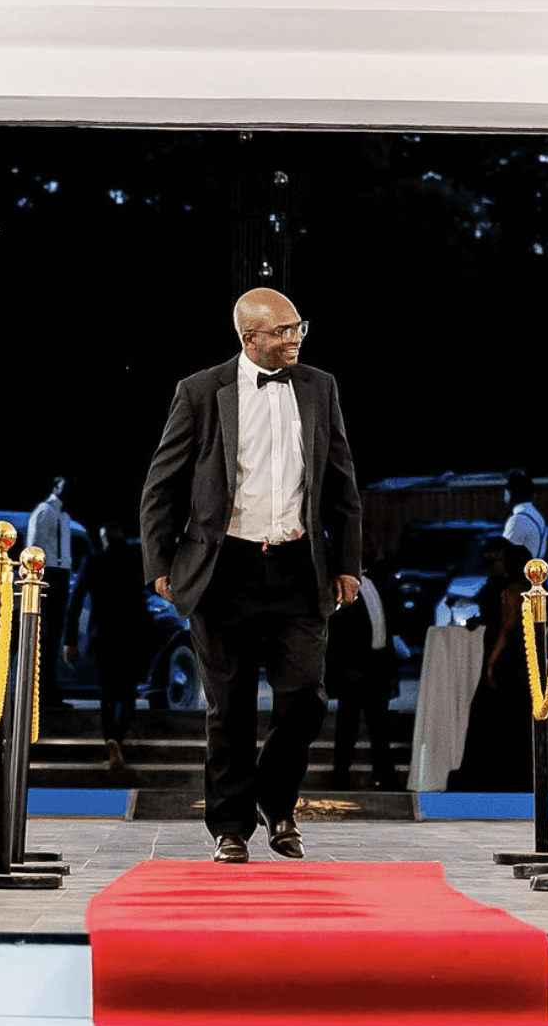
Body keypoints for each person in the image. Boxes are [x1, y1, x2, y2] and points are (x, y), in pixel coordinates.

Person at [138, 288, 363, 863]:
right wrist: (159, 564)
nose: (295, 339)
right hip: (224, 568)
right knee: (229, 707)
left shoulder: (320, 386)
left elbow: (342, 482)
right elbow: (162, 484)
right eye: (283, 331)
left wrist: (348, 563)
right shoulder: (200, 391)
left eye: (299, 328)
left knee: (306, 698)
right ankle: (230, 827)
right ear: (250, 338)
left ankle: (275, 798)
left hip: (299, 567)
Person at [446, 536, 537, 792]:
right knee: (514, 718)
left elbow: (506, 630)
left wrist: (491, 663)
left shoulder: (511, 591)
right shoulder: (529, 591)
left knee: (491, 716)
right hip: (522, 657)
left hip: (508, 658)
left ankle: (488, 773)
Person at [80, 520, 148, 773]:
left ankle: (109, 739)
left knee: (107, 695)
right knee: (128, 695)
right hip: (130, 635)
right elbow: (144, 600)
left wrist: (70, 641)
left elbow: (76, 600)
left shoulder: (95, 561)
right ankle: (117, 738)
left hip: (104, 636)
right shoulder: (135, 562)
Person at [324, 571, 400, 791]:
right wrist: (345, 667)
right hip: (354, 668)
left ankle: (384, 776)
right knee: (347, 727)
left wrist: (390, 669)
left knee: (379, 727)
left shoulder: (378, 584)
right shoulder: (341, 587)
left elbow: (385, 628)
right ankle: (340, 777)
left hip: (377, 666)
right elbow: (336, 630)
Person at [24, 476, 73, 726]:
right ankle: (42, 691)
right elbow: (34, 544)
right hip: (49, 573)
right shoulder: (45, 511)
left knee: (53, 637)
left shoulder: (64, 516)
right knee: (46, 636)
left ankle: (49, 690)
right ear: (55, 486)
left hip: (61, 573)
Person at [500, 469, 545, 564]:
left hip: (524, 571)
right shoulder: (534, 514)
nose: (504, 497)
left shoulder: (518, 519)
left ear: (511, 494)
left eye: (505, 492)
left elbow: (503, 555)